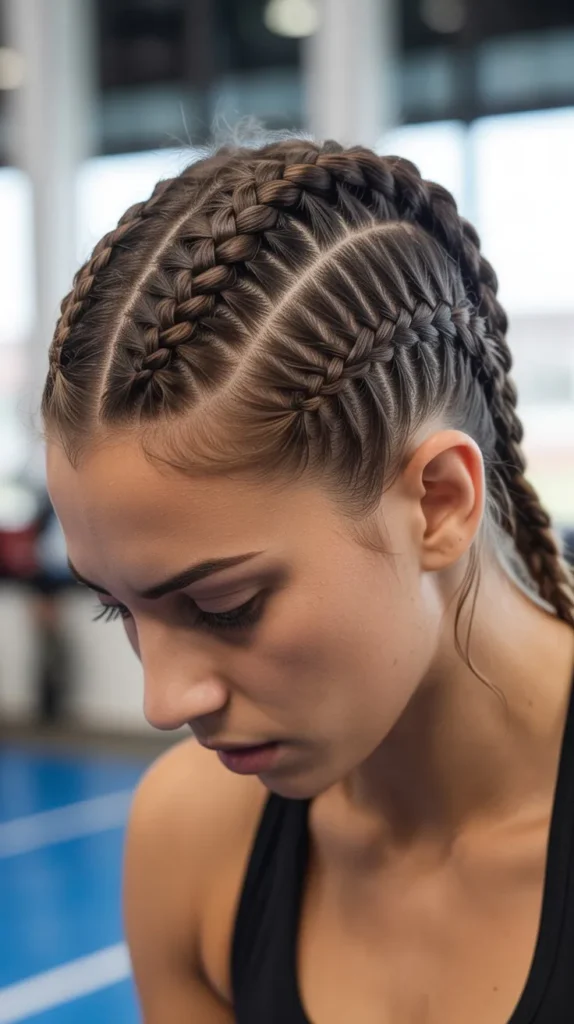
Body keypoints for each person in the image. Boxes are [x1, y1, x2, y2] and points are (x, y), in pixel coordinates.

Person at [42, 139, 574, 1023]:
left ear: (438, 503)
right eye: (117, 610)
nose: (164, 700)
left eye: (225, 606)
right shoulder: (192, 839)